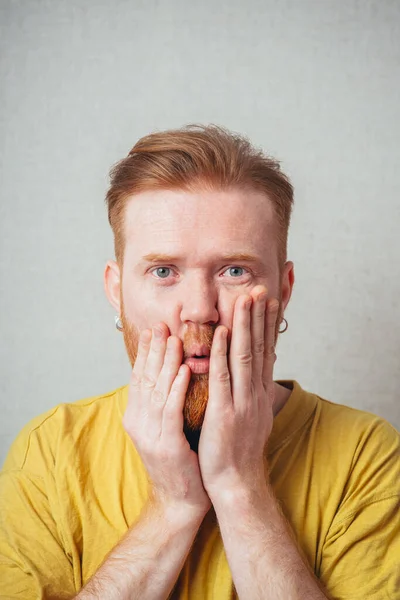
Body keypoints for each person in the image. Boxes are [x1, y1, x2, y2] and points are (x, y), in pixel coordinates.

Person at [1, 125, 399, 600]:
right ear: (116, 291)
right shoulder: (51, 451)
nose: (200, 309)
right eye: (163, 271)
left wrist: (240, 485)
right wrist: (172, 505)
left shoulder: (367, 455)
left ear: (284, 289)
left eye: (234, 271)